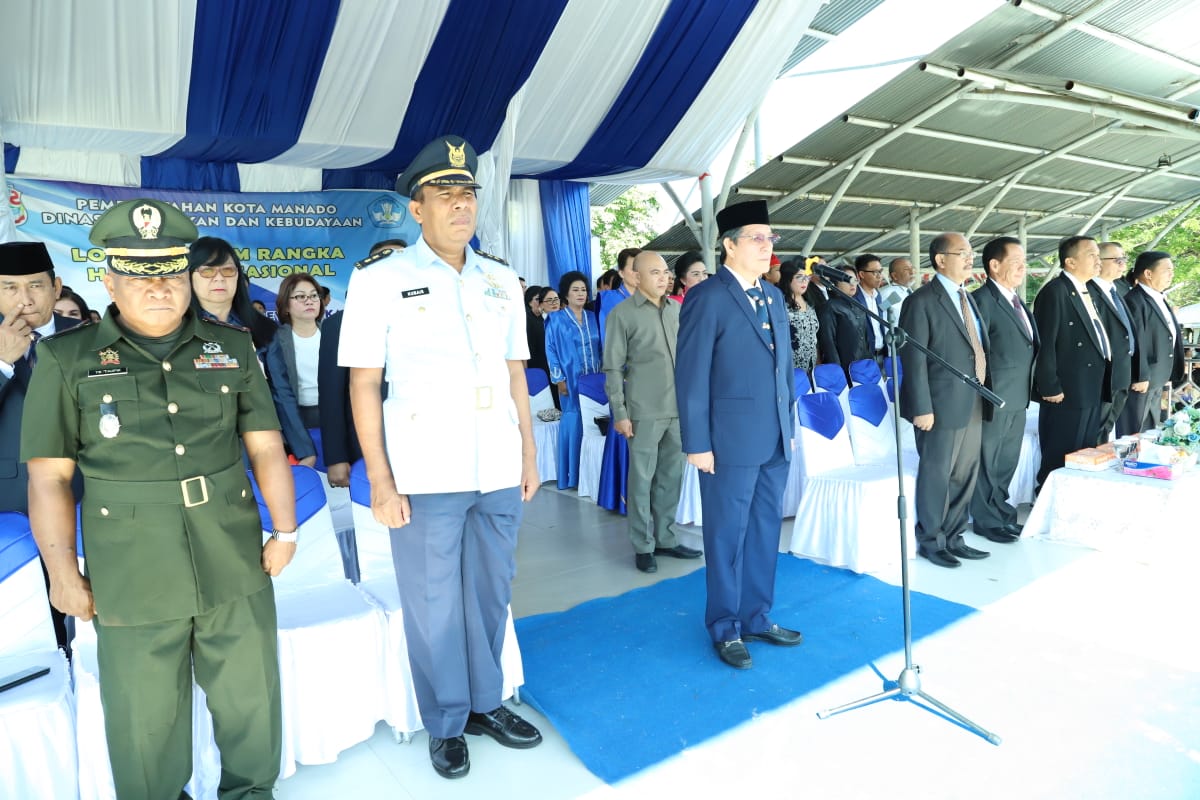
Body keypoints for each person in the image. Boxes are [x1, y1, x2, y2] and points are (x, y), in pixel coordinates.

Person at [22, 198, 297, 799]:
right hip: (132, 565)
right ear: (110, 279)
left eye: (171, 274)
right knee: (145, 719)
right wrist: (62, 573)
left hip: (232, 551)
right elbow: (48, 479)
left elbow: (267, 447)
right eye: (140, 276)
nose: (158, 289)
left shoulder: (231, 345)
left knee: (251, 699)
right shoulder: (67, 358)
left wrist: (287, 530)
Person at [339, 135, 542, 780]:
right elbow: (363, 383)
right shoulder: (380, 282)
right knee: (432, 603)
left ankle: (487, 702)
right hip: (425, 471)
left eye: (468, 195)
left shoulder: (502, 280)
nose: (460, 206)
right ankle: (447, 720)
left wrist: (529, 456)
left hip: (496, 467)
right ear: (417, 208)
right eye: (444, 195)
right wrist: (380, 478)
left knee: (489, 595)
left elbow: (516, 375)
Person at [676, 200, 799, 671]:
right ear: (728, 245)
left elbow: (783, 369)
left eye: (770, 238)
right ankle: (724, 626)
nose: (767, 246)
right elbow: (691, 376)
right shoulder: (707, 297)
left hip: (772, 439)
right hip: (727, 442)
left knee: (766, 531)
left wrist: (789, 427)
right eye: (757, 238)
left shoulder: (771, 297)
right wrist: (697, 443)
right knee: (728, 535)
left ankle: (756, 615)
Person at [0, 241, 82, 652]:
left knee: (93, 627)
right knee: (32, 639)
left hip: (92, 499)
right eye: (9, 288)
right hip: (12, 510)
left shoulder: (89, 336)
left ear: (56, 286)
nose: (24, 299)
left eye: (35, 285)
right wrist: (1, 364)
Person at [603, 251, 701, 573]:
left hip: (677, 409)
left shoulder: (677, 309)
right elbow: (613, 368)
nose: (663, 278)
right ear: (637, 276)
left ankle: (666, 538)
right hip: (643, 411)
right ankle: (643, 545)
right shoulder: (622, 314)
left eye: (665, 272)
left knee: (670, 477)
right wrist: (620, 412)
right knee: (642, 480)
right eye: (655, 272)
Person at [899, 232, 992, 569]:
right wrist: (921, 407)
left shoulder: (968, 297)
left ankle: (954, 536)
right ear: (940, 259)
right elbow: (913, 358)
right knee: (937, 473)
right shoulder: (922, 301)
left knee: (964, 473)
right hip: (938, 405)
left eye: (971, 253)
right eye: (962, 253)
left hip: (973, 398)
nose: (970, 259)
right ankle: (931, 540)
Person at [320, 240, 406, 489]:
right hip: (366, 443)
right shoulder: (340, 325)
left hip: (417, 441)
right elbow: (331, 395)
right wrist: (336, 457)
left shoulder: (425, 317)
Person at [969, 237, 1038, 545]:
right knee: (989, 460)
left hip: (1018, 394)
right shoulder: (980, 301)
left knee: (1007, 459)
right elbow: (975, 351)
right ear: (994, 265)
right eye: (1016, 262)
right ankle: (986, 520)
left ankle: (1002, 513)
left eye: (1025, 262)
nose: (1023, 268)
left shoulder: (1015, 299)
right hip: (993, 394)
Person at [1032, 236, 1113, 492]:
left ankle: (1072, 498)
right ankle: (1046, 499)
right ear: (1070, 261)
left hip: (1090, 386)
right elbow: (1045, 343)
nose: (1098, 260)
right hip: (1066, 389)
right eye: (1091, 254)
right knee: (1061, 450)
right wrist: (1049, 385)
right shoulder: (1055, 291)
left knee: (1082, 451)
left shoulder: (1086, 290)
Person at [545, 270, 601, 490]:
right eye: (575, 290)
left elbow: (601, 347)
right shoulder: (556, 319)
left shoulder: (593, 317)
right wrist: (558, 378)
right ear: (566, 295)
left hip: (594, 381)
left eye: (584, 290)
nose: (581, 294)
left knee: (593, 423)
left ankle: (592, 473)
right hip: (570, 381)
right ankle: (573, 475)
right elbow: (550, 350)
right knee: (575, 421)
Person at [1118, 250, 1185, 435]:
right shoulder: (1135, 300)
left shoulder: (1159, 297)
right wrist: (1140, 376)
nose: (1172, 274)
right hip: (1143, 377)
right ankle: (1130, 463)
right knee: (1134, 430)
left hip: (1158, 375)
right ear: (1148, 273)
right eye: (1167, 270)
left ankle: (1146, 463)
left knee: (1151, 430)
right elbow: (1136, 341)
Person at [264, 274, 327, 467]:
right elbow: (282, 394)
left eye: (314, 295)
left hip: (333, 417)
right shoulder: (275, 340)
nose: (309, 300)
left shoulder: (333, 334)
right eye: (300, 296)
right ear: (285, 306)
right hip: (295, 419)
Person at [188, 236, 278, 351]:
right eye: (207, 271)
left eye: (227, 270)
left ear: (238, 275)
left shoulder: (266, 329)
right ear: (189, 277)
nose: (219, 278)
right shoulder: (175, 330)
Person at [1092, 241, 1136, 443]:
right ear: (1098, 262)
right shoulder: (1089, 291)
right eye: (1117, 260)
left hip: (1122, 373)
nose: (1122, 264)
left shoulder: (1117, 290)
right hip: (1102, 376)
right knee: (1095, 431)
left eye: (1124, 259)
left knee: (1107, 429)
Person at [818, 265, 871, 377]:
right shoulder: (830, 307)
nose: (852, 284)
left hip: (862, 366)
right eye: (846, 280)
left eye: (854, 280)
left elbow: (865, 337)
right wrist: (837, 370)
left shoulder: (858, 305)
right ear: (835, 283)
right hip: (844, 369)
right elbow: (828, 342)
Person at [778, 260, 819, 372]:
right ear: (787, 279)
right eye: (799, 277)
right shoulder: (780, 304)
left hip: (812, 364)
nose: (804, 281)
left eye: (807, 277)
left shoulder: (809, 301)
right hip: (791, 367)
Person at [596, 247, 640, 341]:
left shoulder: (652, 299)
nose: (638, 273)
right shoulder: (606, 299)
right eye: (633, 269)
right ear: (621, 273)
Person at [854, 253, 889, 365]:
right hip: (863, 358)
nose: (880, 276)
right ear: (862, 274)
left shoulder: (878, 296)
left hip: (881, 354)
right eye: (875, 272)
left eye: (880, 271)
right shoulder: (853, 298)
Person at [879, 257, 914, 325]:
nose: (912, 272)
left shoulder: (910, 292)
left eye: (912, 268)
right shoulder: (887, 294)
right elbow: (879, 312)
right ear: (895, 275)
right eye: (906, 269)